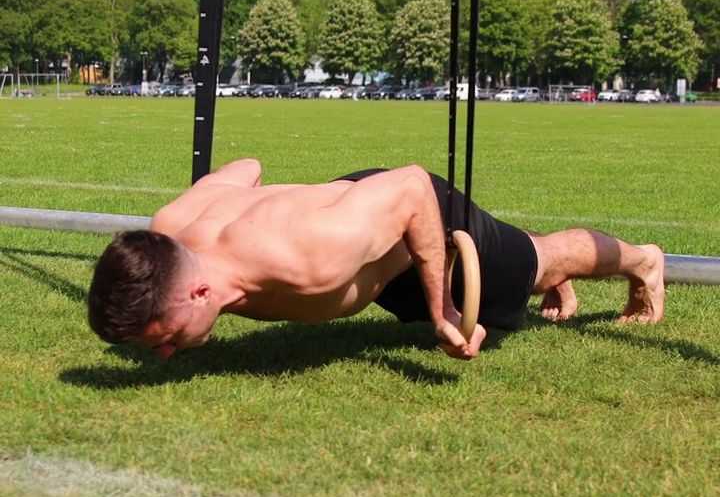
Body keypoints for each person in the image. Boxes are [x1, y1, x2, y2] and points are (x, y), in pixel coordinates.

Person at [87, 159, 665, 361]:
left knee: (539, 262)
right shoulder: (167, 231)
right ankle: (526, 263)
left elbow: (413, 188)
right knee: (525, 264)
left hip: (418, 213)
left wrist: (441, 310)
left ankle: (642, 262)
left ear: (196, 294)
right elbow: (245, 169)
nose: (163, 352)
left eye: (162, 337)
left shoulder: (312, 253)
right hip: (365, 243)